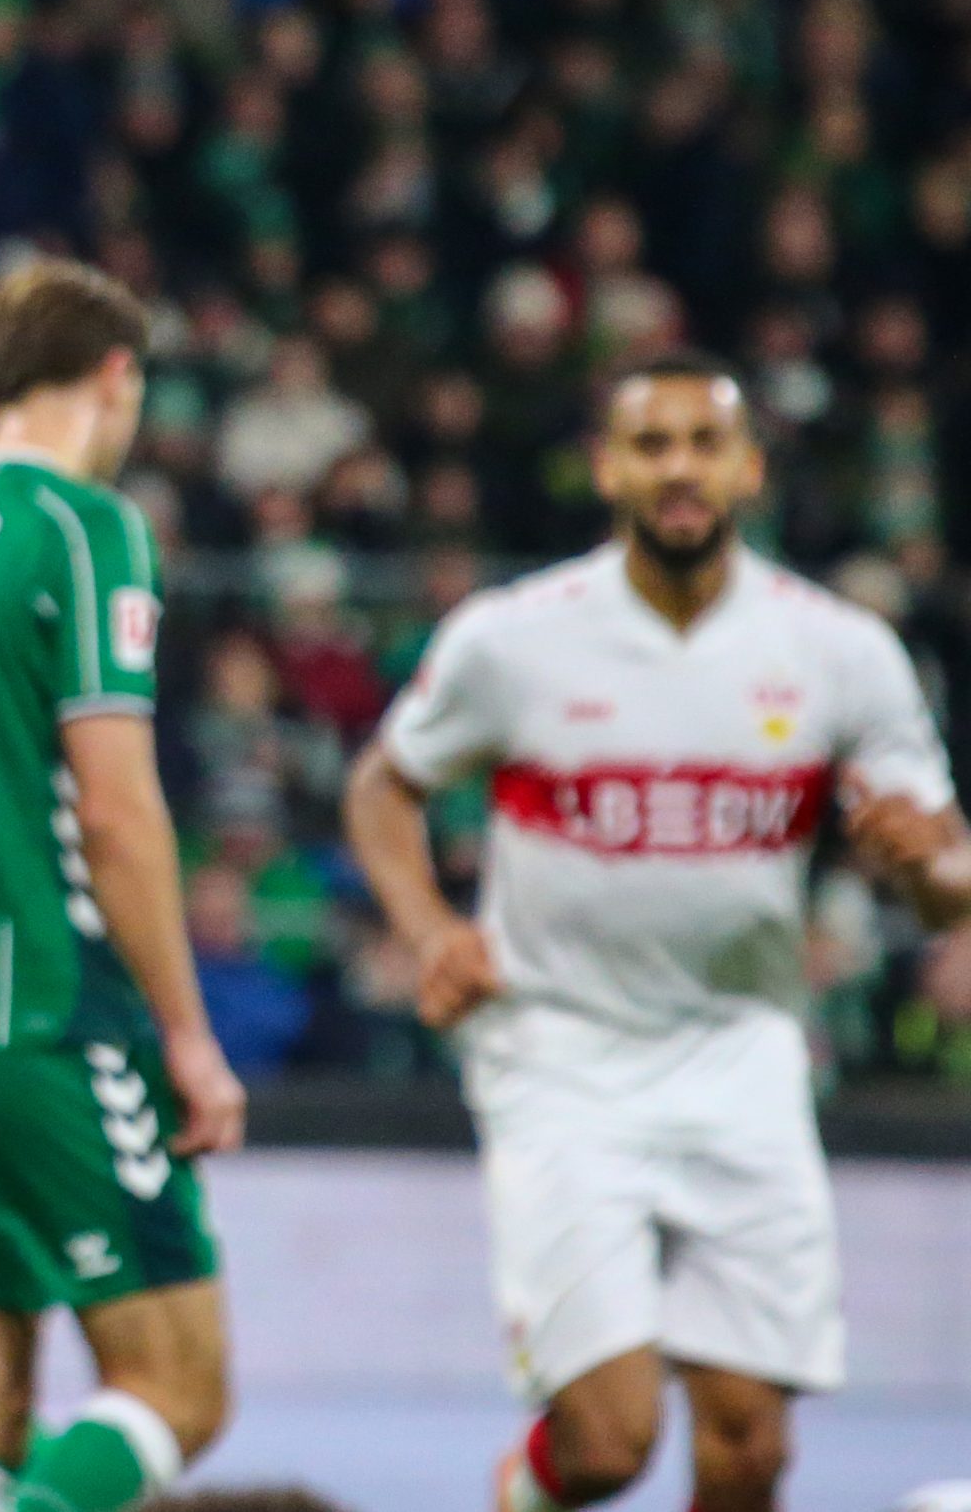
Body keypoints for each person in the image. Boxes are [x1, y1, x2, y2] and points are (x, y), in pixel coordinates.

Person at [341, 353, 971, 1512]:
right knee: (607, 1442)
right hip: (559, 1054)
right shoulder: (515, 637)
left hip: (744, 1053)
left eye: (702, 443)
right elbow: (384, 784)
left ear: (747, 468)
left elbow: (948, 879)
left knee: (749, 1446)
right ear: (607, 470)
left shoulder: (840, 650)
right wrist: (429, 930)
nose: (678, 468)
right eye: (650, 444)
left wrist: (924, 863)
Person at [0, 262, 240, 1512]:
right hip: (41, 1011)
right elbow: (116, 809)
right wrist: (186, 1035)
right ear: (117, 378)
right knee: (179, 1387)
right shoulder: (88, 527)